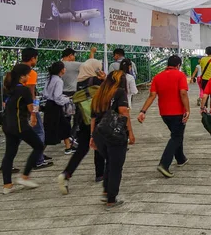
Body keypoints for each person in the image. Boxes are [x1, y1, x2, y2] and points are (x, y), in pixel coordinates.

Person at [58, 57, 107, 193]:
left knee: (82, 148)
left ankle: (66, 174)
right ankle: (100, 174)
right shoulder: (96, 80)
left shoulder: (79, 82)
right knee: (99, 144)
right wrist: (104, 79)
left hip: (82, 118)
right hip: (96, 117)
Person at [138, 55, 190, 178]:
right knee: (176, 137)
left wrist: (143, 111)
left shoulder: (157, 77)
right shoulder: (180, 75)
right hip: (177, 112)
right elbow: (183, 93)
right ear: (178, 65)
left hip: (164, 113)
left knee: (176, 134)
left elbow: (152, 95)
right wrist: (187, 110)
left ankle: (181, 158)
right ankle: (164, 164)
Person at [90, 71, 135, 209]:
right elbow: (123, 112)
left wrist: (92, 136)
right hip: (115, 133)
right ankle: (111, 199)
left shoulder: (99, 93)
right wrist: (131, 133)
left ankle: (106, 191)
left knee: (109, 162)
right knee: (116, 166)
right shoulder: (119, 92)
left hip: (99, 133)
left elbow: (93, 117)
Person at [0, 64, 44, 194]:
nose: (29, 77)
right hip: (20, 125)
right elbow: (31, 109)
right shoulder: (24, 90)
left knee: (9, 154)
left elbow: (5, 104)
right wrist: (36, 112)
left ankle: (7, 185)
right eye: (27, 75)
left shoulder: (8, 88)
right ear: (22, 76)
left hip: (7, 125)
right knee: (38, 146)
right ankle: (25, 176)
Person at [20, 48, 52, 169]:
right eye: (36, 58)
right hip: (28, 106)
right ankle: (38, 159)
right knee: (39, 130)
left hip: (16, 106)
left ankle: (7, 164)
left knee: (17, 134)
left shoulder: (14, 71)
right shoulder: (31, 73)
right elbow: (31, 92)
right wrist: (34, 111)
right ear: (33, 58)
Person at [42, 62, 74, 154]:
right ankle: (39, 153)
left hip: (49, 105)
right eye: (64, 68)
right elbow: (57, 97)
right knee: (51, 129)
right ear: (61, 70)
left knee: (63, 126)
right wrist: (67, 99)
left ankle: (68, 147)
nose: (65, 69)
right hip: (55, 107)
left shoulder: (49, 79)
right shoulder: (59, 81)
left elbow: (45, 93)